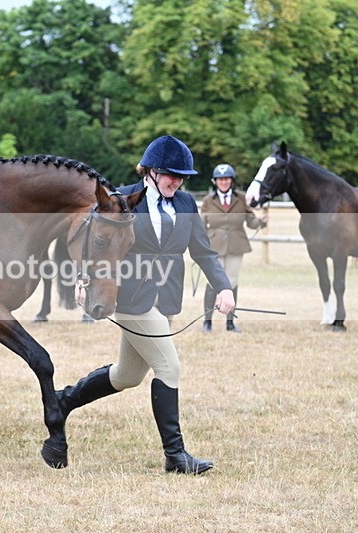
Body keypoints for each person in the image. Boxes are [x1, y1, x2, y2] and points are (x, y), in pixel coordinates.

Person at [57, 135, 235, 474]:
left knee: (127, 375)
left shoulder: (184, 204)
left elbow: (203, 250)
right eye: (171, 174)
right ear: (151, 171)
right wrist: (82, 282)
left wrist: (223, 287)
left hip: (165, 298)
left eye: (182, 176)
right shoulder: (121, 199)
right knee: (169, 368)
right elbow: (93, 245)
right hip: (130, 299)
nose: (177, 181)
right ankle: (176, 456)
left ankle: (63, 400)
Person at [200, 164, 267, 333]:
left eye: (227, 179)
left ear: (232, 180)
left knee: (232, 282)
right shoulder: (208, 200)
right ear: (215, 181)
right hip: (214, 247)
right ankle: (207, 321)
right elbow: (202, 224)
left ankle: (230, 322)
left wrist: (260, 221)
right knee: (212, 283)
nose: (224, 182)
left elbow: (250, 221)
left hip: (236, 245)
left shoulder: (242, 198)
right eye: (221, 179)